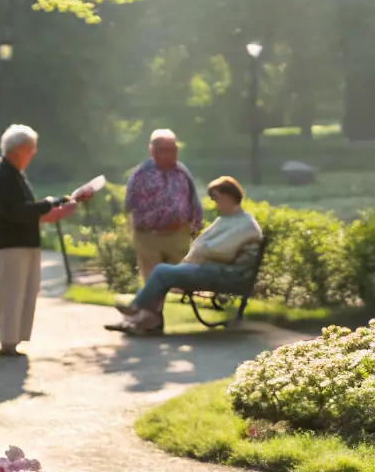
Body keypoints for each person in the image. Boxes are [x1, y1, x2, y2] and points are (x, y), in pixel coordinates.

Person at [108, 176, 263, 336]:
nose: (214, 203)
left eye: (216, 198)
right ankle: (144, 319)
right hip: (214, 270)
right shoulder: (226, 219)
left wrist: (196, 254)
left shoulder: (246, 224)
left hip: (228, 276)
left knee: (162, 272)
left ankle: (137, 310)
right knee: (164, 273)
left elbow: (219, 250)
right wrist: (196, 254)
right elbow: (204, 246)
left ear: (229, 196)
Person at [0, 124, 89, 357]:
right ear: (20, 149)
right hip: (10, 246)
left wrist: (56, 205)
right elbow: (15, 211)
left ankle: (14, 340)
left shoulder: (13, 174)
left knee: (25, 292)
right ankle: (8, 342)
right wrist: (48, 205)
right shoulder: (1, 176)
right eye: (31, 150)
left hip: (24, 243)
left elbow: (27, 210)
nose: (33, 155)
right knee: (12, 294)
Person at [124, 129, 204, 282]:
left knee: (181, 280)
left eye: (174, 149)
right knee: (152, 282)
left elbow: (194, 200)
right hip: (149, 237)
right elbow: (129, 206)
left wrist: (196, 228)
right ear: (153, 151)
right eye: (166, 150)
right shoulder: (141, 174)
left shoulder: (182, 172)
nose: (172, 153)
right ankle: (152, 306)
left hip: (178, 234)